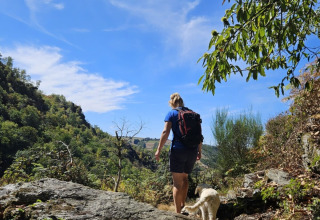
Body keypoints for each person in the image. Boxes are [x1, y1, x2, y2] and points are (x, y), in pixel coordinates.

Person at [155, 92, 202, 214]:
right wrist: (199, 151)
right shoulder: (194, 114)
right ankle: (182, 205)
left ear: (172, 103)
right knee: (185, 179)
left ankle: (177, 214)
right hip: (192, 150)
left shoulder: (172, 113)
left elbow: (165, 132)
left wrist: (159, 149)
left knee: (177, 183)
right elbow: (200, 136)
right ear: (182, 102)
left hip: (178, 150)